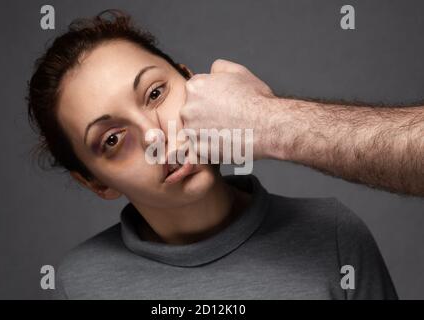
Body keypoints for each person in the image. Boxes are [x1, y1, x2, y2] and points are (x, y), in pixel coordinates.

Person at [27, 9, 397, 299]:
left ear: (195, 84)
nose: (156, 136)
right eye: (112, 139)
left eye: (156, 94)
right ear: (95, 182)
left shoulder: (333, 233)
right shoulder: (80, 284)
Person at [181, 60, 424, 197]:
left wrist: (263, 117)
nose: (151, 135)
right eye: (138, 141)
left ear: (192, 80)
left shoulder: (336, 234)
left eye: (156, 93)